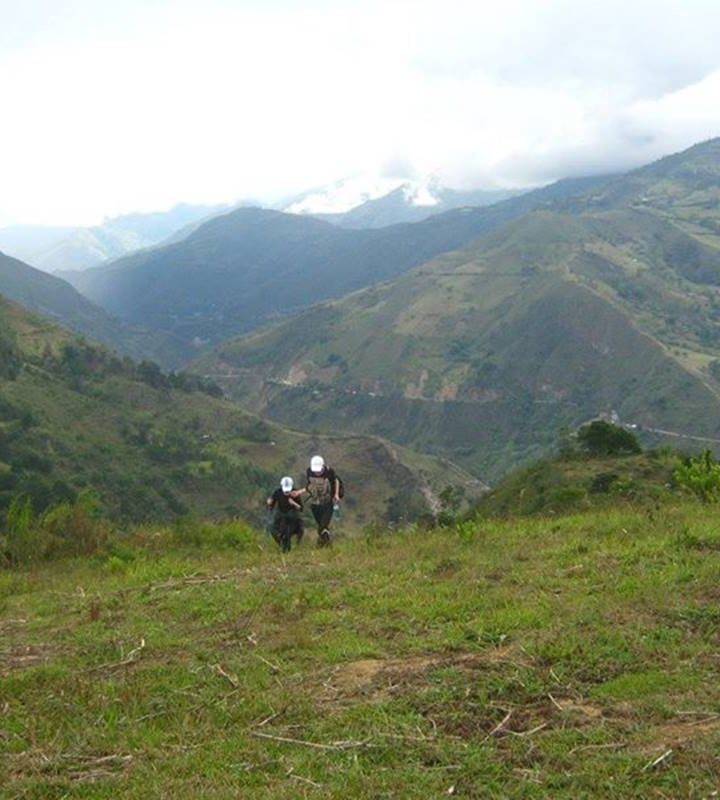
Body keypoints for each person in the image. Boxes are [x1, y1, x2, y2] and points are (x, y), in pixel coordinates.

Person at [294, 455, 340, 547]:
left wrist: (336, 494)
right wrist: (300, 492)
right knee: (321, 526)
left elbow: (336, 481)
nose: (317, 472)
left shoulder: (329, 472)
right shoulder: (309, 472)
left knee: (323, 526)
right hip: (315, 504)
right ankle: (325, 544)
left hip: (327, 503)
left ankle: (323, 544)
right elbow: (310, 486)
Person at [266, 476, 304, 552]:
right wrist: (269, 503)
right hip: (280, 515)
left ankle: (288, 545)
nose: (287, 492)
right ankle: (281, 542)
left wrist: (294, 504)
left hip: (292, 517)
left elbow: (301, 508)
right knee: (272, 528)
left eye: (288, 491)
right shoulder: (277, 492)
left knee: (293, 527)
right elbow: (271, 506)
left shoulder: (295, 493)